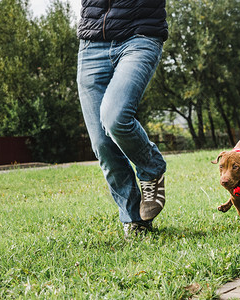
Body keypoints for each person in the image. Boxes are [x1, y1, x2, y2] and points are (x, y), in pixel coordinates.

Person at [77, 0, 168, 236]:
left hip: (140, 35)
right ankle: (134, 219)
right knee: (101, 143)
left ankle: (152, 168)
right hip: (92, 42)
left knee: (115, 117)